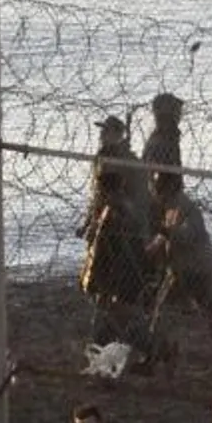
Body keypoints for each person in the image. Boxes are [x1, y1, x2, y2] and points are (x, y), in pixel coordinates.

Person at [146, 173, 212, 377]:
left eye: (157, 185)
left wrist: (165, 234)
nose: (154, 189)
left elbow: (188, 234)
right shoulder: (173, 206)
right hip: (186, 270)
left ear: (167, 187)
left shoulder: (184, 207)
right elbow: (166, 236)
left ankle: (158, 357)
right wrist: (151, 248)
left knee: (166, 314)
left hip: (193, 270)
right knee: (209, 316)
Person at [80, 116, 155, 364]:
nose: (102, 135)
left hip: (124, 238)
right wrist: (89, 224)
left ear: (118, 133)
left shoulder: (127, 163)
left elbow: (134, 202)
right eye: (102, 131)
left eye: (107, 131)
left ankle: (145, 347)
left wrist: (118, 218)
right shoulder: (103, 158)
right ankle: (147, 347)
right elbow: (98, 197)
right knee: (107, 299)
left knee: (114, 300)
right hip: (106, 234)